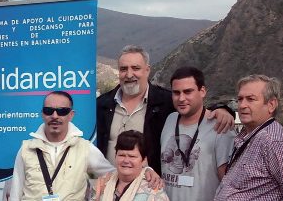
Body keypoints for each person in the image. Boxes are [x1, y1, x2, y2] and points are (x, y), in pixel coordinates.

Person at [95, 45, 234, 171]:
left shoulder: (166, 102)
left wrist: (222, 109)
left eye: (136, 68)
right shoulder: (102, 104)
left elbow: (194, 109)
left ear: (147, 70)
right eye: (123, 69)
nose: (129, 74)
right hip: (109, 188)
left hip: (150, 190)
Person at [160, 66, 235, 201]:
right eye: (176, 93)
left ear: (202, 91)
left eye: (188, 91)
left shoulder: (220, 128)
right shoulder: (169, 121)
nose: (181, 98)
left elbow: (226, 180)